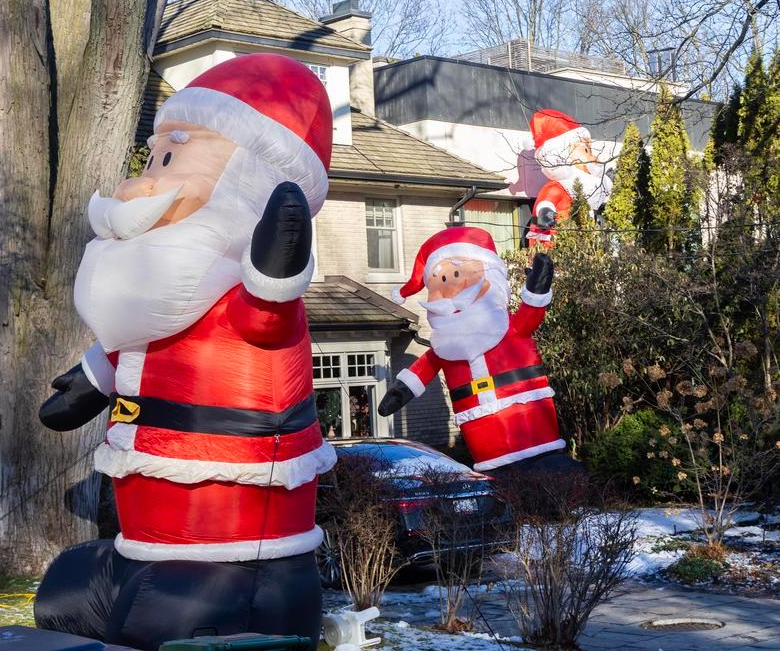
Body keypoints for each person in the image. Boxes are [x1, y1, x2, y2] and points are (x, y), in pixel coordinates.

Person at [34, 54, 335, 651]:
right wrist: (89, 381)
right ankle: (132, 568)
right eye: (152, 159)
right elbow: (131, 344)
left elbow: (268, 322)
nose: (137, 186)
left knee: (156, 623)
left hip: (234, 554)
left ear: (248, 183)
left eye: (171, 158)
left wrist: (277, 267)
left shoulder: (244, 298)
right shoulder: (168, 298)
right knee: (63, 597)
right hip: (145, 545)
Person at [382, 227, 578, 473]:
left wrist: (537, 288)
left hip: (531, 421)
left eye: (456, 273)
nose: (450, 289)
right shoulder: (445, 345)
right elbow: (424, 368)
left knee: (551, 473)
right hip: (483, 436)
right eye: (441, 280)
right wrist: (402, 390)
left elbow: (531, 314)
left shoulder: (508, 327)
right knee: (501, 480)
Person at [526, 109, 613, 246]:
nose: (592, 157)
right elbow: (546, 204)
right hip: (554, 245)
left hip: (579, 246)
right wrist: (546, 214)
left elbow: (595, 195)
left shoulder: (581, 191)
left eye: (590, 150)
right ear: (563, 154)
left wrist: (608, 180)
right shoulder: (556, 188)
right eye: (586, 150)